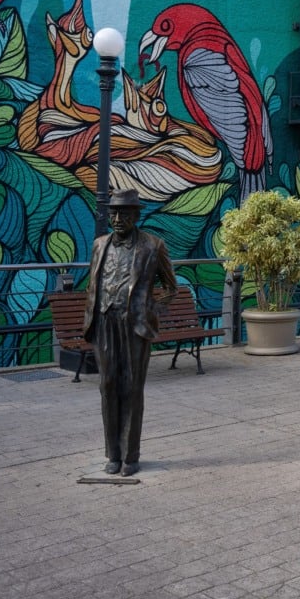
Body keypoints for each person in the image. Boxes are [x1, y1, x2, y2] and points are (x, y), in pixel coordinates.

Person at [83, 189, 176, 476]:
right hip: (104, 322)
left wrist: (152, 308)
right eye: (113, 213)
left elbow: (171, 288)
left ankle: (131, 456)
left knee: (132, 388)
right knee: (108, 385)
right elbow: (94, 284)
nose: (117, 218)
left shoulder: (153, 246)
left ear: (136, 215)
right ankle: (112, 454)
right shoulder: (100, 245)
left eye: (123, 213)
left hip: (134, 325)